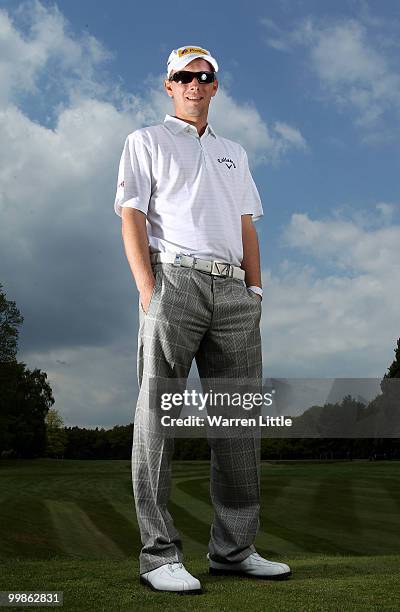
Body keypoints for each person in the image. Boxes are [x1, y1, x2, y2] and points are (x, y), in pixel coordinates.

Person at [114, 45, 292, 594]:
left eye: (204, 75)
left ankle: (234, 550)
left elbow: (246, 225)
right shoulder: (144, 141)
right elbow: (132, 214)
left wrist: (255, 289)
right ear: (168, 84)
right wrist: (148, 289)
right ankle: (159, 555)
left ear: (215, 85)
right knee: (157, 416)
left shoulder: (234, 152)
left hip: (234, 292)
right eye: (183, 76)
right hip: (175, 281)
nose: (194, 83)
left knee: (237, 424)